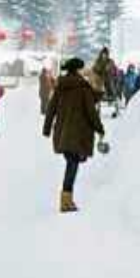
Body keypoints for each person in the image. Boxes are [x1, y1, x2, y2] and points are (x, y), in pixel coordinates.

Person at [43, 57, 105, 213]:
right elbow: (91, 111)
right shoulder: (82, 87)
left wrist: (47, 128)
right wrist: (100, 128)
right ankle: (65, 201)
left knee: (72, 162)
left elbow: (51, 108)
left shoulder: (61, 86)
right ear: (77, 70)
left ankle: (67, 199)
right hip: (77, 134)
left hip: (63, 133)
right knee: (72, 164)